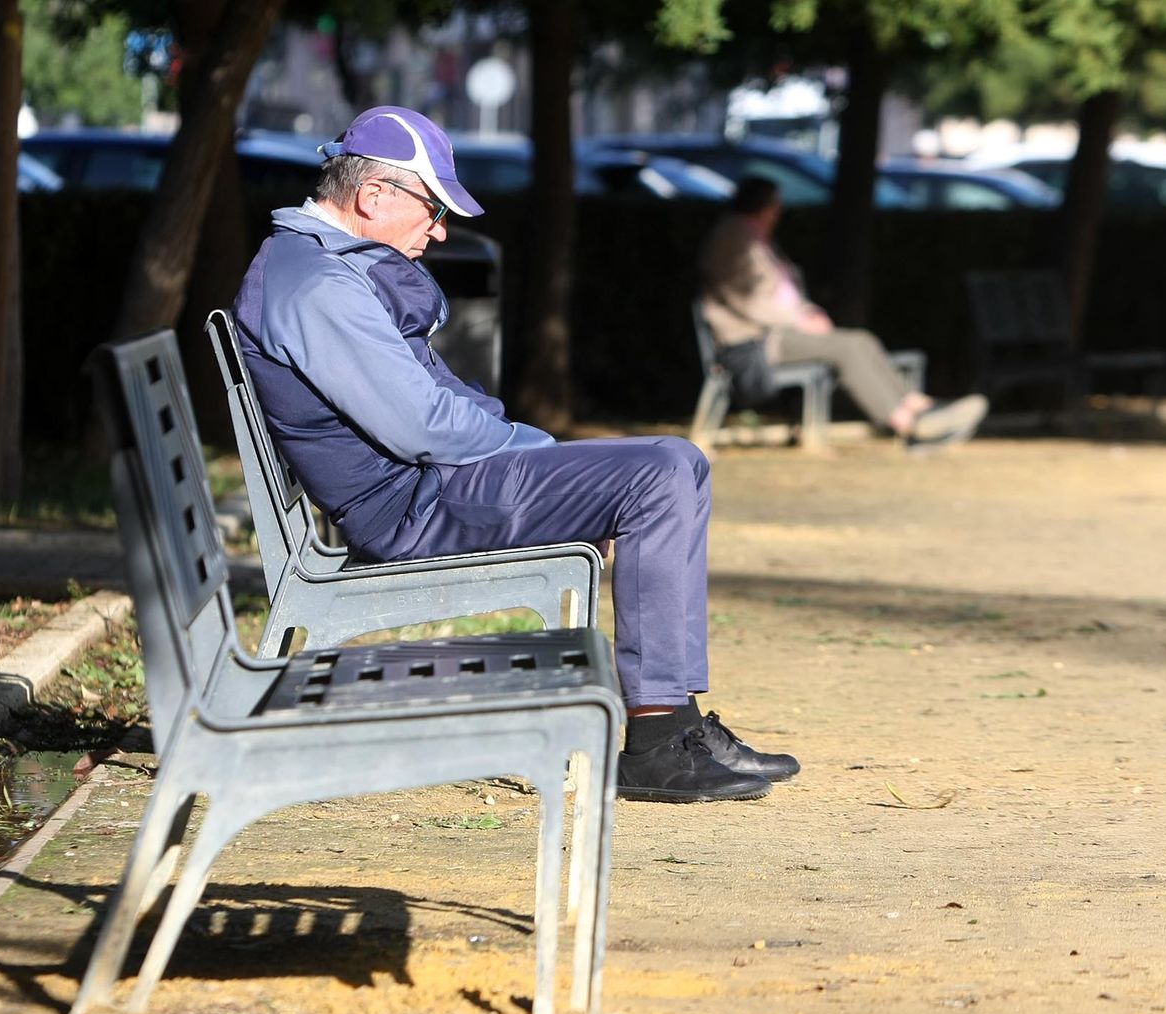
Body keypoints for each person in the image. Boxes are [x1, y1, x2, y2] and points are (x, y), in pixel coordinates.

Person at [232, 106, 796, 803]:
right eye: (433, 209)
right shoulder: (317, 285)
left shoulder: (319, 267)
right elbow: (423, 426)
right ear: (372, 195)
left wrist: (538, 456)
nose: (440, 230)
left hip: (431, 489)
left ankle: (672, 718)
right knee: (659, 473)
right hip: (416, 509)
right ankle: (654, 741)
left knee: (682, 462)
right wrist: (538, 449)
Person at [699, 175, 987, 445]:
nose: (780, 210)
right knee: (847, 349)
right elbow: (745, 297)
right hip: (755, 342)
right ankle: (908, 424)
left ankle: (919, 405)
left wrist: (807, 312)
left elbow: (778, 293)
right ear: (764, 206)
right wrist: (799, 319)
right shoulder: (733, 238)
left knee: (861, 340)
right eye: (776, 204)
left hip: (776, 332)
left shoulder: (754, 238)